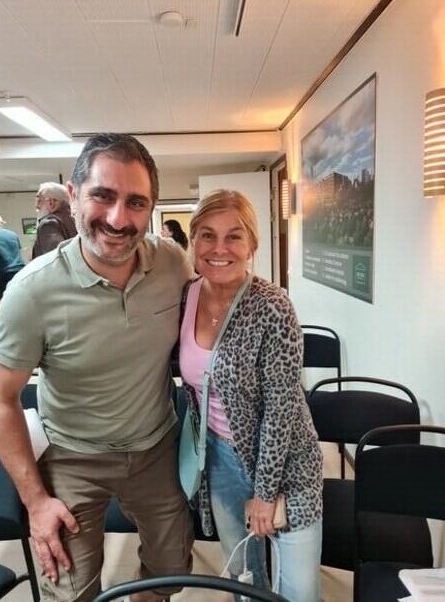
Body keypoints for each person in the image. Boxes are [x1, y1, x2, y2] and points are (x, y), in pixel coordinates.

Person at [0, 133, 195, 602]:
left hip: (155, 448)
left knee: (170, 572)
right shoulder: (32, 292)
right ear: (73, 195)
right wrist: (36, 502)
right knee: (69, 591)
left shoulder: (171, 264)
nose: (118, 219)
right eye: (103, 195)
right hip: (71, 455)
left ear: (151, 208)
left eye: (136, 202)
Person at [179, 189, 323, 602]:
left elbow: (282, 408)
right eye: (207, 235)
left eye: (234, 236)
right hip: (219, 458)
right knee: (245, 580)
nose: (219, 248)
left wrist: (264, 492)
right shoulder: (186, 296)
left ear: (252, 244)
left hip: (286, 462)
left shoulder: (274, 306)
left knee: (299, 592)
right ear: (193, 241)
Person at [32, 181, 77, 258]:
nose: (36, 205)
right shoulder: (76, 219)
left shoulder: (49, 224)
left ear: (51, 203)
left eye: (39, 200)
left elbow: (57, 258)